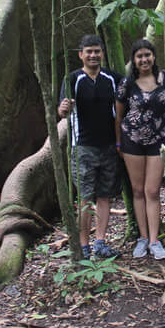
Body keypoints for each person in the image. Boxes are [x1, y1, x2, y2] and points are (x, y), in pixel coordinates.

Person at [58, 35, 122, 259]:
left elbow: (132, 92)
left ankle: (101, 243)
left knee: (105, 196)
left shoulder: (111, 78)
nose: (93, 55)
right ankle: (84, 245)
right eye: (89, 52)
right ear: (81, 54)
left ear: (102, 53)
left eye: (97, 51)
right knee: (85, 198)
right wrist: (64, 108)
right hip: (83, 147)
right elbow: (62, 111)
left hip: (109, 146)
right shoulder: (73, 78)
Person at [115, 39, 165, 260]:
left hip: (158, 142)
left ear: (153, 57)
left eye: (148, 55)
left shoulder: (164, 79)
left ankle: (155, 240)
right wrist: (118, 142)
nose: (144, 59)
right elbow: (118, 115)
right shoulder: (127, 84)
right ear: (134, 60)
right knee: (137, 191)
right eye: (140, 56)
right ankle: (143, 238)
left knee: (152, 191)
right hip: (131, 142)